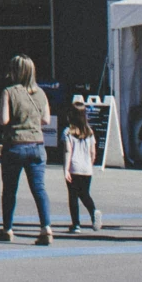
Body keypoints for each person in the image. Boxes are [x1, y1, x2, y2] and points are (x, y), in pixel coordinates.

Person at [0, 54, 53, 246]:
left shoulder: (9, 92)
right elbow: (46, 120)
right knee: (39, 188)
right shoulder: (41, 93)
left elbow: (3, 120)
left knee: (10, 190)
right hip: (36, 145)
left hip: (15, 145)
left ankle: (8, 229)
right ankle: (46, 228)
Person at [62, 96, 101, 233]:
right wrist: (90, 164)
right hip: (86, 168)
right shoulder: (90, 132)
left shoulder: (67, 132)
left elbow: (68, 151)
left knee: (73, 196)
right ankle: (93, 210)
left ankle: (76, 224)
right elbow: (93, 152)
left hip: (73, 167)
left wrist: (66, 169)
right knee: (84, 194)